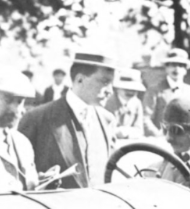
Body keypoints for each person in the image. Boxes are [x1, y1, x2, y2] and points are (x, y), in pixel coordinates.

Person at [17, 49, 120, 188]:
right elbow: (19, 177)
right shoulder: (36, 118)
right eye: (105, 82)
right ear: (80, 79)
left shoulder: (107, 120)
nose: (110, 91)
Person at [147, 48, 190, 131]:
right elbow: (146, 118)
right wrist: (157, 134)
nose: (176, 69)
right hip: (161, 136)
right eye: (172, 65)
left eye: (181, 65)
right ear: (166, 68)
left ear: (185, 70)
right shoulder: (155, 90)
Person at [110, 68, 159, 142]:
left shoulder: (136, 103)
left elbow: (139, 130)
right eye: (126, 89)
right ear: (117, 89)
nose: (130, 92)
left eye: (134, 90)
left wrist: (127, 131)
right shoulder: (108, 102)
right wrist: (118, 131)